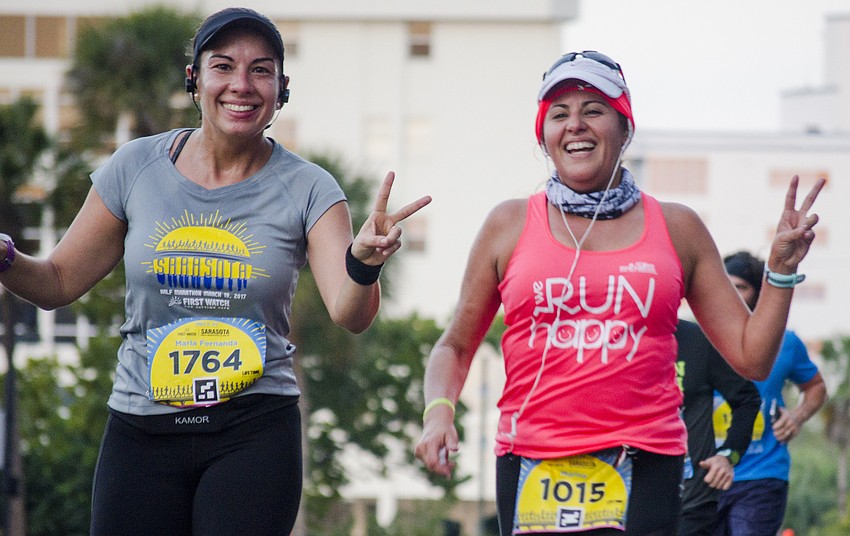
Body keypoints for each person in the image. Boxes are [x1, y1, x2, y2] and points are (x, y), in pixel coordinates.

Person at [0, 7, 430, 536]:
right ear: (195, 79)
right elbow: (58, 283)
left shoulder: (310, 188)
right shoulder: (135, 168)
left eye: (261, 69)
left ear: (281, 88)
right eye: (223, 66)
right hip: (142, 429)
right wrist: (6, 258)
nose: (241, 85)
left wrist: (362, 264)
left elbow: (350, 312)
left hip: (253, 431)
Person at [413, 50, 825, 536]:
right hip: (530, 460)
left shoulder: (678, 227)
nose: (575, 126)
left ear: (625, 127)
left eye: (594, 110)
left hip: (646, 458)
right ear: (543, 136)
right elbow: (455, 346)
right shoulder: (508, 224)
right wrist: (438, 413)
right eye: (559, 115)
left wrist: (779, 271)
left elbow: (751, 358)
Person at [713, 251, 827, 536]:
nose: (733, 295)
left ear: (759, 292)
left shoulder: (785, 343)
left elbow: (815, 387)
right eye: (727, 287)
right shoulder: (701, 339)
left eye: (741, 287)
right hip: (708, 474)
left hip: (761, 474)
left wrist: (798, 416)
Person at [675, 318, 761, 536]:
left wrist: (727, 455)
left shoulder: (698, 340)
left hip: (691, 502)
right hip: (619, 501)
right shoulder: (607, 342)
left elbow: (746, 400)